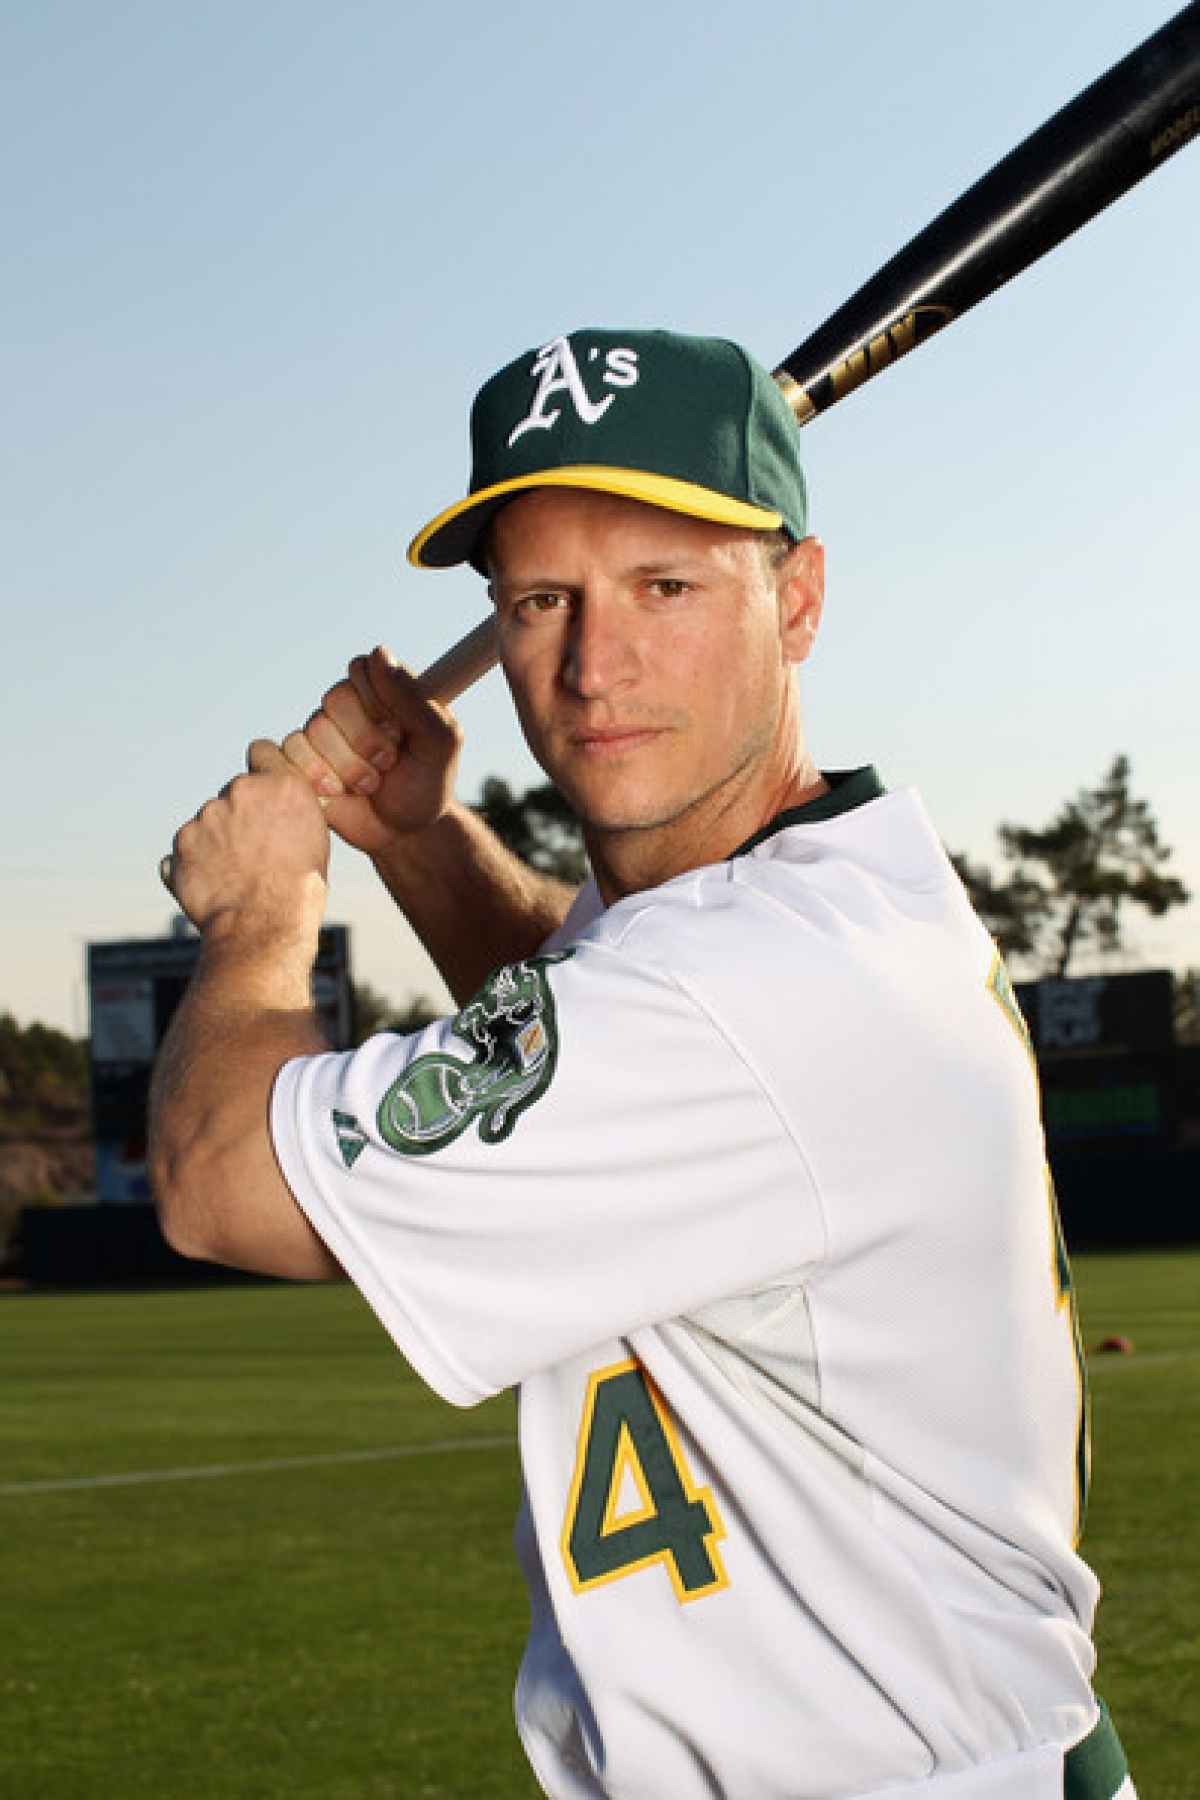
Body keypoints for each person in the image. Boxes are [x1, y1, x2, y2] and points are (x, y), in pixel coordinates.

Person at [149, 327, 1136, 1799]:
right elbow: (586, 1018)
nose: (593, 665)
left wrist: (260, 912)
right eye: (543, 599)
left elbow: (215, 1181)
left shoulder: (764, 981)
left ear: (798, 598)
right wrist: (412, 835)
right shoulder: (791, 907)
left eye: (665, 587)